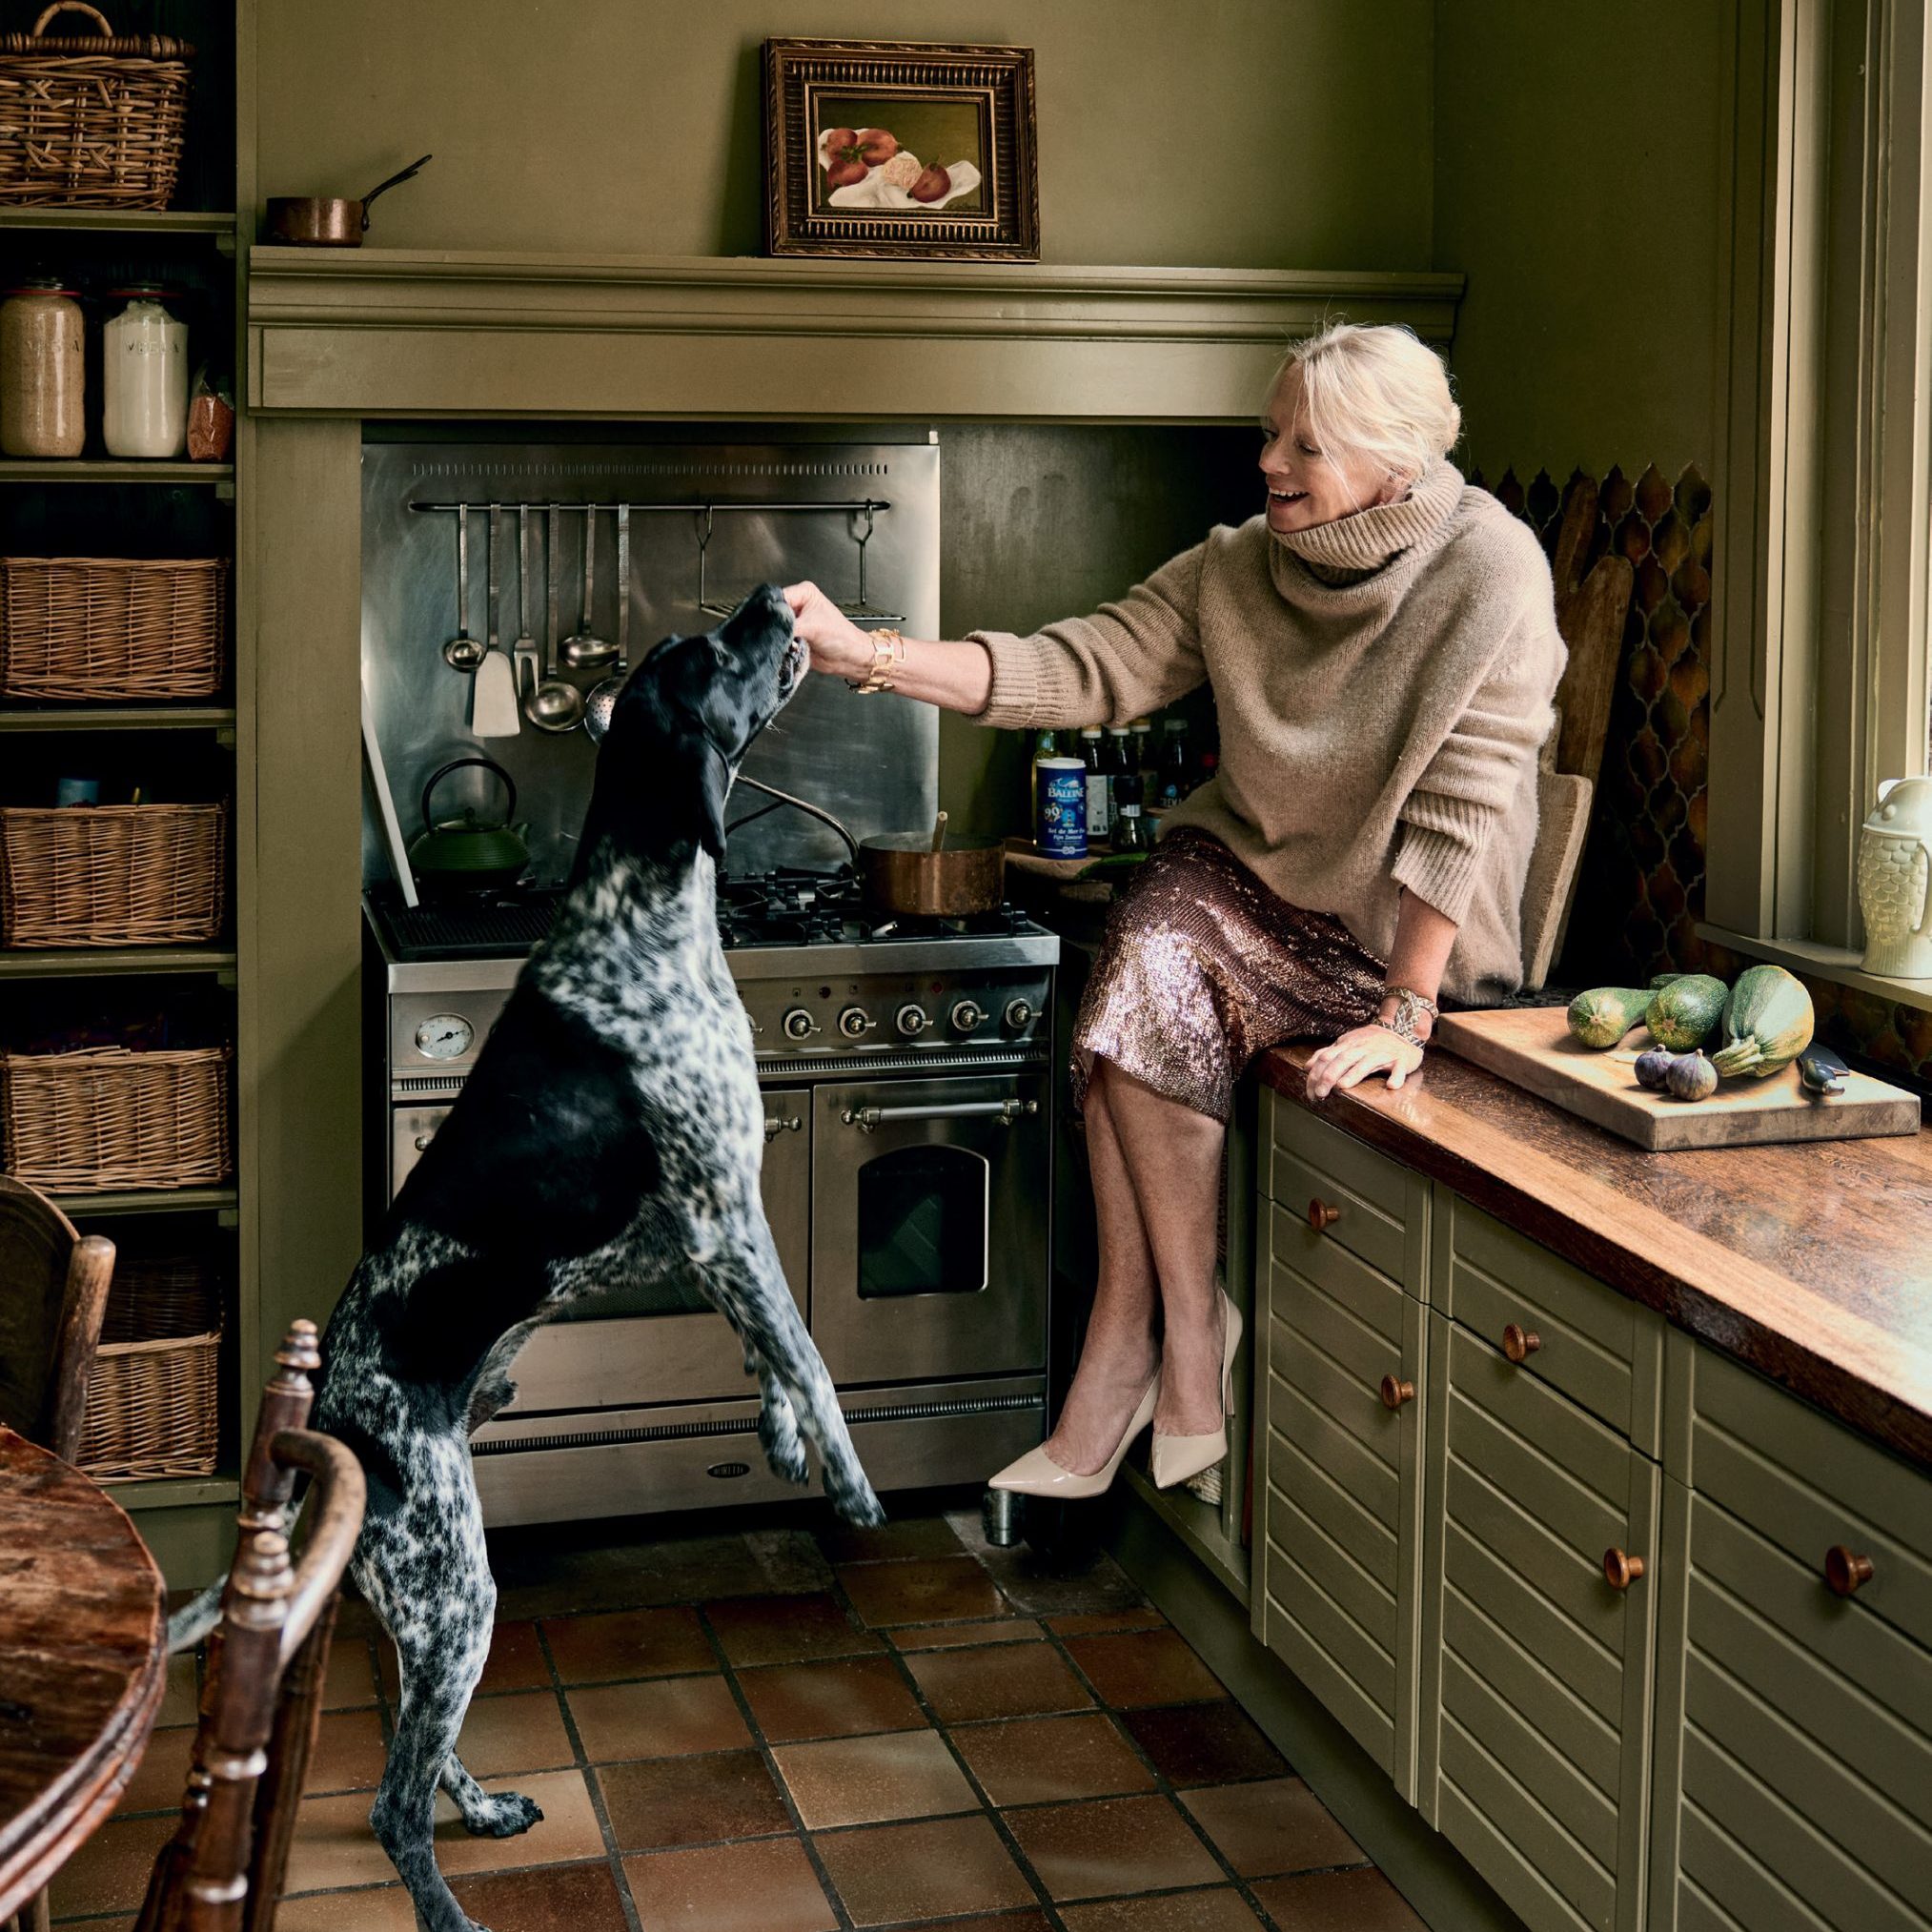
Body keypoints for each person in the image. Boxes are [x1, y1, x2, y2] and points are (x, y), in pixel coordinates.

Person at [783, 321, 1566, 1502]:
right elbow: (1077, 664)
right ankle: (1185, 1339)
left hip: (1403, 937)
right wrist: (866, 655)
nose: (1268, 460)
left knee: (1123, 1025)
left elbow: (1455, 819)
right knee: (1145, 951)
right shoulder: (1237, 564)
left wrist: (1407, 1014)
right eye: (1268, 432)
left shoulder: (1488, 571)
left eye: (1305, 442)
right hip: (1251, 896)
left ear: (1394, 460)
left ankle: (1122, 1362)